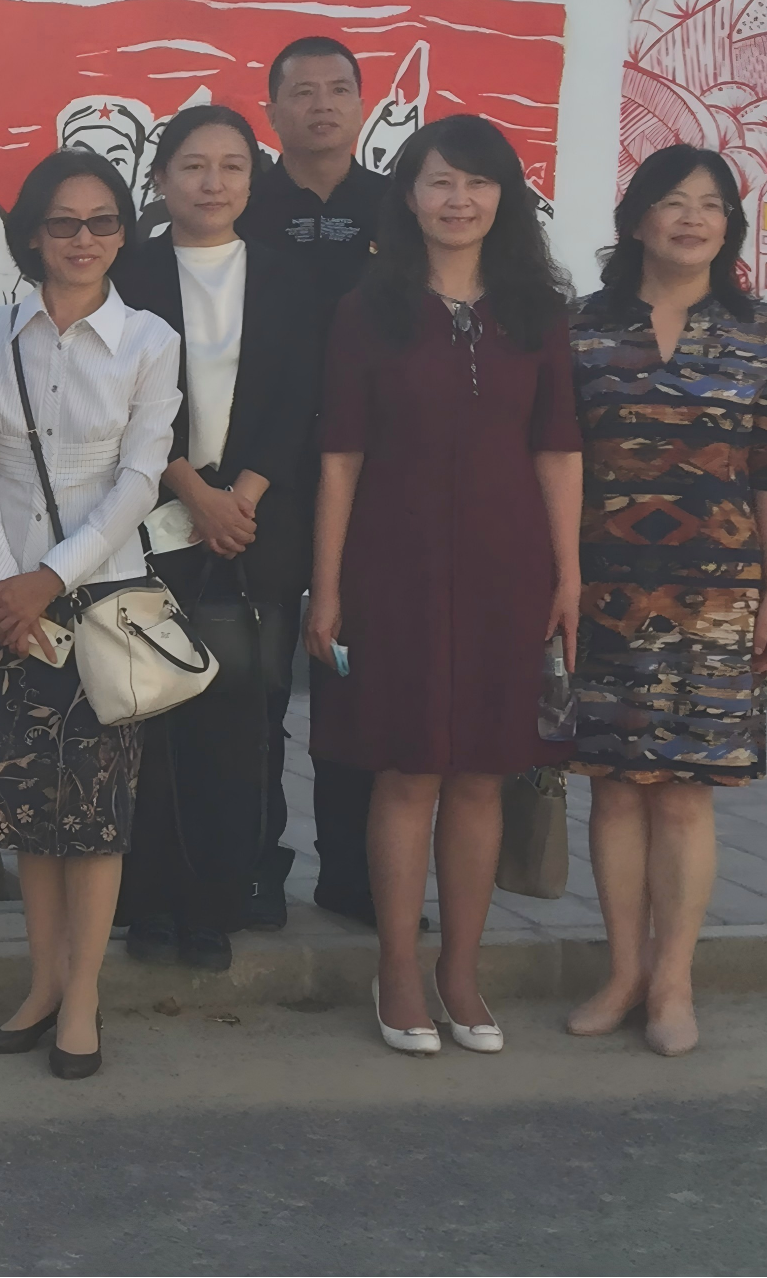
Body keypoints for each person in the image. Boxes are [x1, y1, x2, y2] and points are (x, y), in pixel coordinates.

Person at [304, 114, 581, 1057]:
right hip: (395, 568)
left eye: (478, 182)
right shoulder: (368, 311)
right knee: (408, 769)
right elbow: (340, 458)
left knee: (482, 775)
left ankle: (461, 971)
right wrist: (326, 585)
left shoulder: (537, 312)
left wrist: (568, 575)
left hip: (510, 570)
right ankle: (396, 967)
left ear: (505, 196)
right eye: (439, 182)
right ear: (410, 197)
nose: (459, 200)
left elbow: (558, 450)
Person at [563, 146, 767, 1058]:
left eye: (712, 204)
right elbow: (557, 460)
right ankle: (623, 972)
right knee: (616, 789)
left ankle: (673, 982)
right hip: (604, 588)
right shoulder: (582, 330)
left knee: (686, 793)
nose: (693, 217)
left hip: (719, 594)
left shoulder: (762, 331)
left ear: (729, 226)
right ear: (636, 220)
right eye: (673, 201)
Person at [0, 149, 179, 1080]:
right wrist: (3, 587)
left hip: (101, 601)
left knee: (93, 810)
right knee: (26, 808)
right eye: (63, 222)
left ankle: (83, 995)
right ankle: (42, 982)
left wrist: (50, 577)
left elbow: (141, 478)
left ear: (122, 233)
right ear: (33, 233)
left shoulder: (149, 339)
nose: (83, 239)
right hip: (4, 599)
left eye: (102, 221)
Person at [113, 107, 323, 974]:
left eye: (232, 165)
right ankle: (147, 901)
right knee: (150, 722)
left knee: (242, 726)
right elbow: (115, 396)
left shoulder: (289, 279)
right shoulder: (126, 272)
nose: (213, 182)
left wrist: (242, 496)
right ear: (161, 178)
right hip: (146, 523)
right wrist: (191, 489)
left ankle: (217, 903)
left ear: (252, 179)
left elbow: (301, 398)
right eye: (193, 165)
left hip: (252, 532)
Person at [245, 34, 393, 930]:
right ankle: (252, 867)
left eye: (339, 89)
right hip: (259, 480)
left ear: (363, 104)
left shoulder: (398, 208)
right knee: (254, 685)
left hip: (371, 482)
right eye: (302, 91)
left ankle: (356, 873)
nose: (322, 105)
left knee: (354, 681)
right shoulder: (242, 202)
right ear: (272, 110)